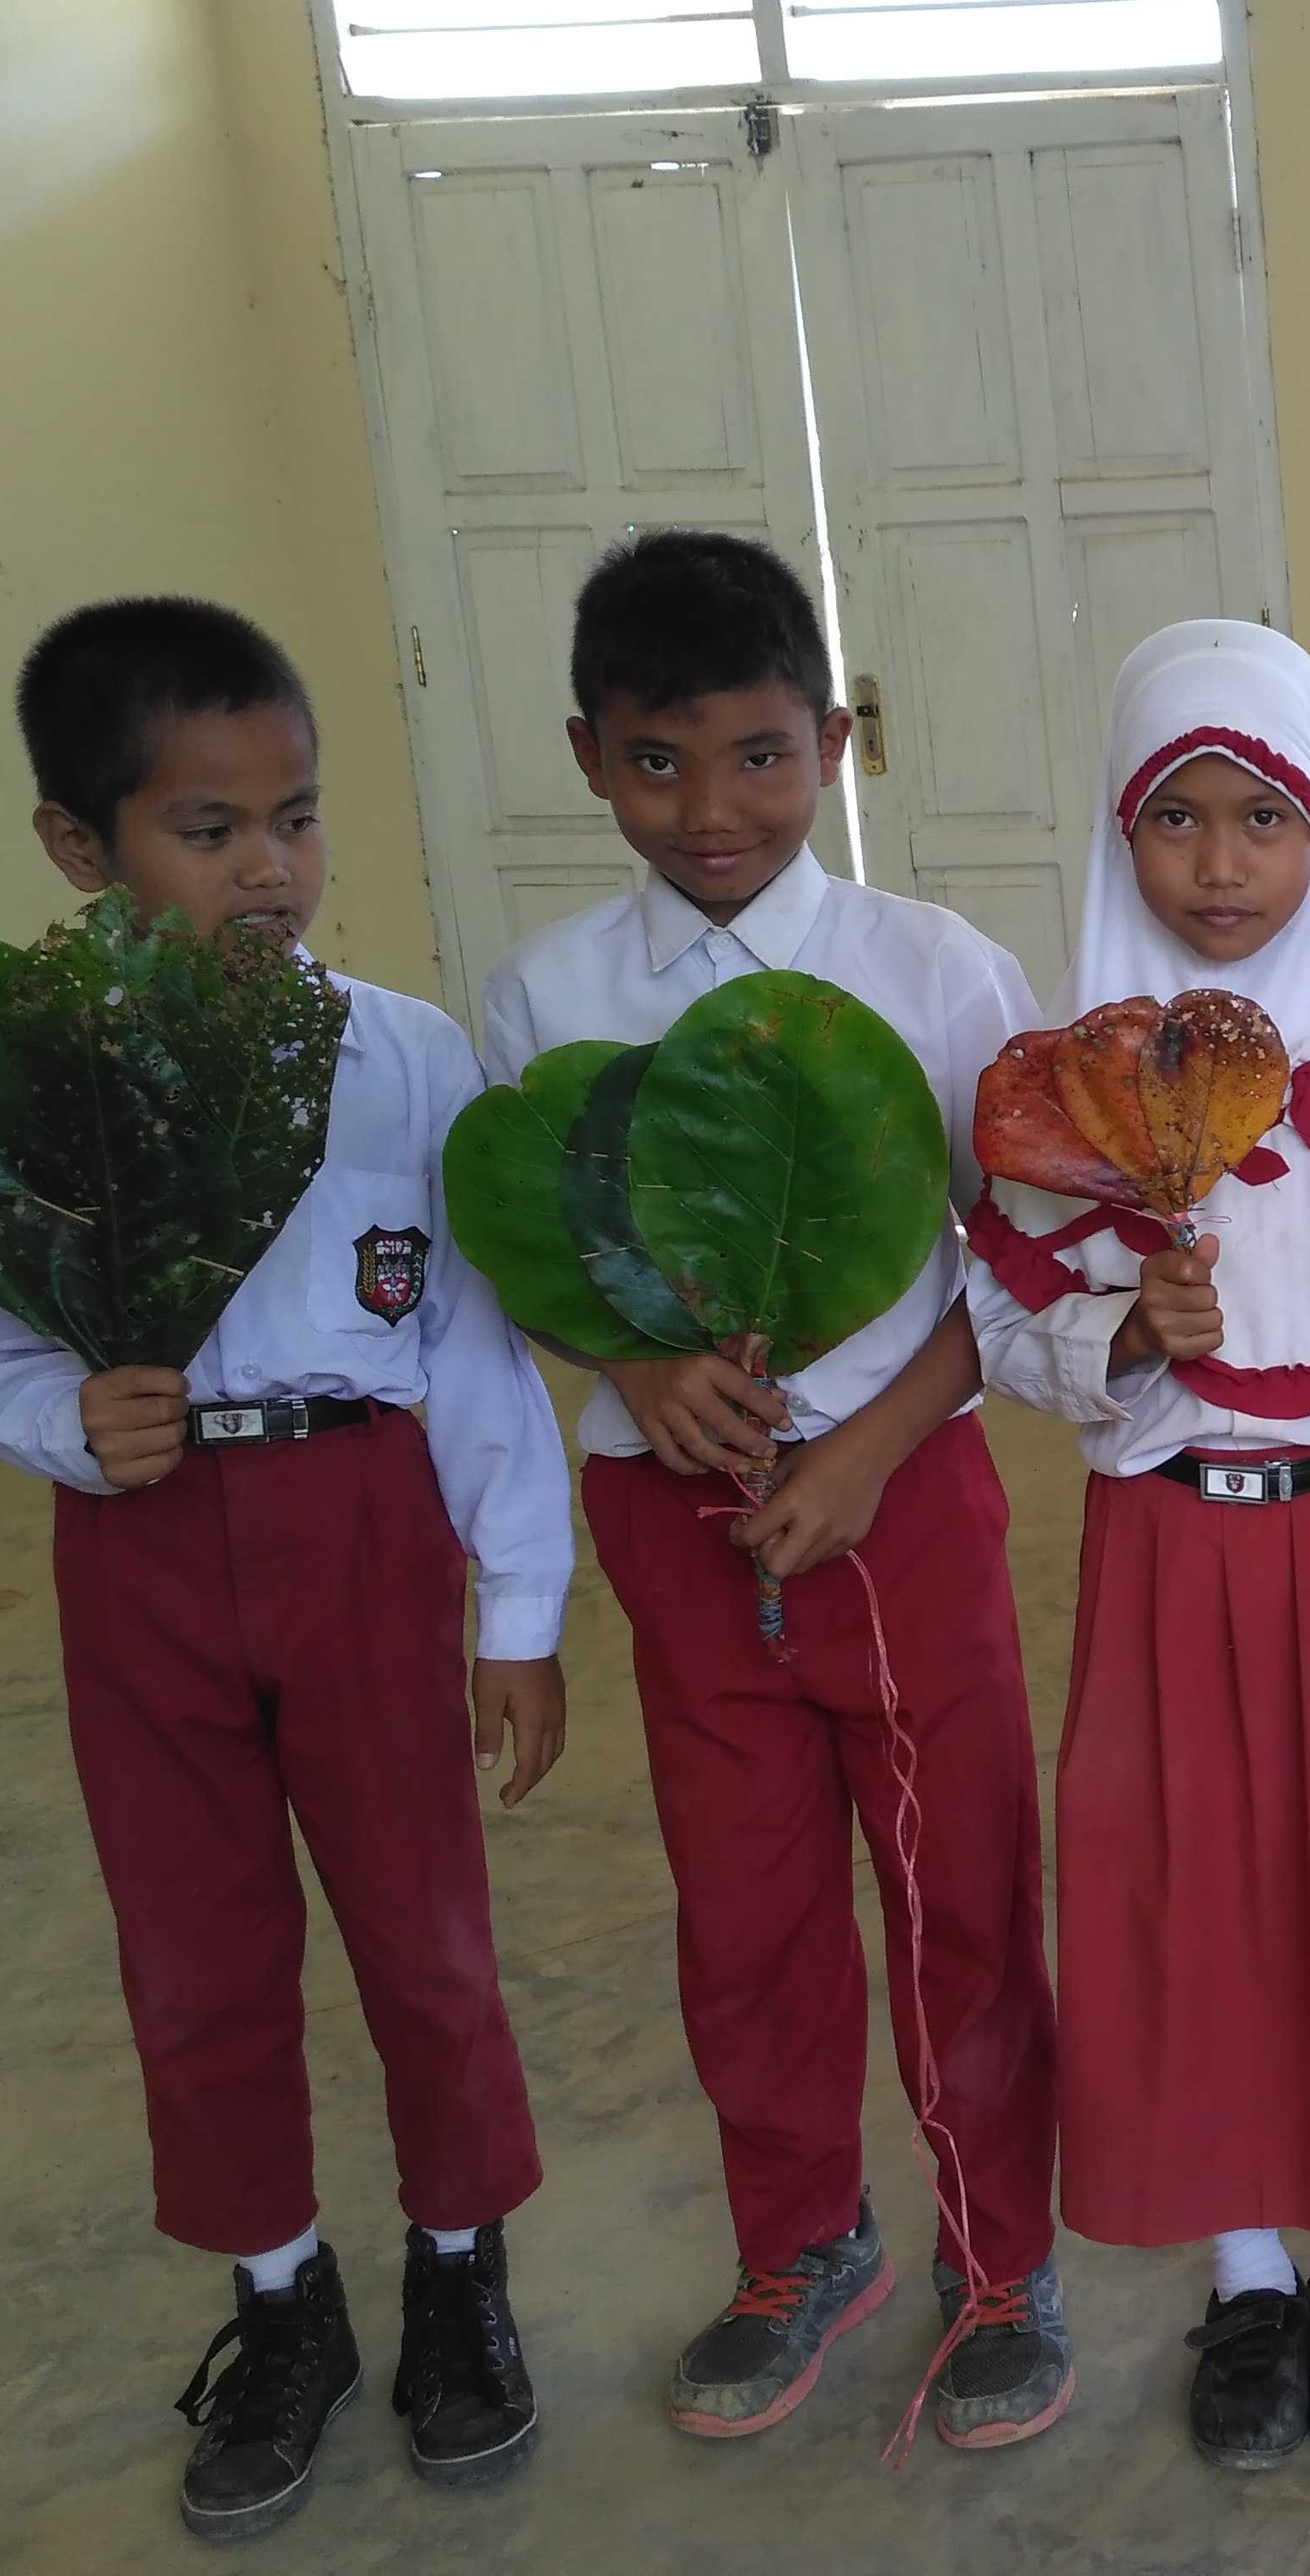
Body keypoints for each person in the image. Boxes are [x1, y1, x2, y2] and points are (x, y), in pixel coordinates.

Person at [0, 598, 566, 2538]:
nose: (269, 867)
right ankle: (277, 2297)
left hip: (361, 1530)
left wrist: (522, 1612)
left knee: (423, 1933)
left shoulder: (407, 1055)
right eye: (206, 832)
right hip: (141, 1545)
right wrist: (69, 1421)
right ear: (77, 845)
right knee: (195, 1955)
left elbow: (469, 1344)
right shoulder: (41, 1077)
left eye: (294, 818)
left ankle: (457, 2266)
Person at [472, 532, 1065, 2451]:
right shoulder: (544, 998)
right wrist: (636, 1375)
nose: (709, 808)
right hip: (676, 1527)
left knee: (957, 1890)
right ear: (586, 756)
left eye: (753, 756)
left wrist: (869, 1445)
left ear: (829, 742)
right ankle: (801, 2243)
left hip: (901, 1506)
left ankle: (1003, 2261)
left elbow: (1020, 1279)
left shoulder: (936, 973)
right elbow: (528, 1262)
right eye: (656, 762)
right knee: (746, 1910)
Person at [965, 621, 1310, 2471]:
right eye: (1173, 819)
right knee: (1190, 1902)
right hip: (1166, 1547)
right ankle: (1247, 2274)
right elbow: (1007, 1323)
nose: (1219, 863)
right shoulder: (1074, 1083)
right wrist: (1118, 1336)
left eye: (1262, 817)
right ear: (1121, 839)